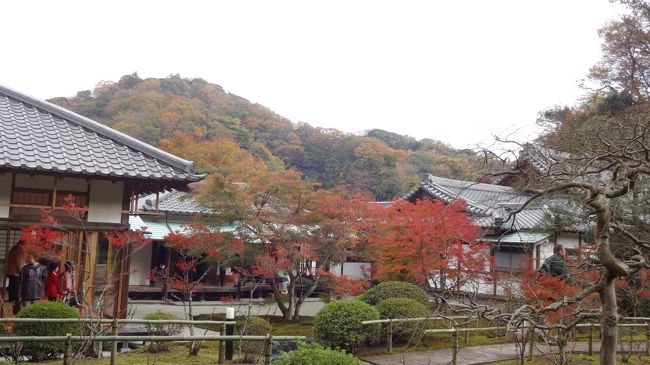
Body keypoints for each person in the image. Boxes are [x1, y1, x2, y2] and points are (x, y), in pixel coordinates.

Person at [6, 240, 26, 306]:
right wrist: (21, 272)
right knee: (15, 288)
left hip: (12, 271)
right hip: (16, 272)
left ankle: (11, 299)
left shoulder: (14, 248)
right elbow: (19, 263)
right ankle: (14, 301)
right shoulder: (19, 250)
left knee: (12, 287)